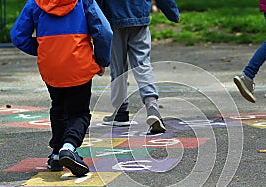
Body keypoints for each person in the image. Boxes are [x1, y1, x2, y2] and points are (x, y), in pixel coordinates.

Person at [10, 0, 113, 176]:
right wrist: (101, 59)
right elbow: (104, 31)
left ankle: (57, 153)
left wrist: (45, 50)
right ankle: (69, 146)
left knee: (58, 107)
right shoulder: (83, 2)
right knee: (79, 112)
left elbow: (18, 35)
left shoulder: (35, 3)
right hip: (79, 63)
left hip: (51, 66)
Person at [97, 0, 180, 133]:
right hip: (139, 14)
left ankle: (121, 111)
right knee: (142, 64)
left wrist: (97, 18)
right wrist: (172, 12)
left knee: (118, 68)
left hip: (113, 17)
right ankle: (152, 106)